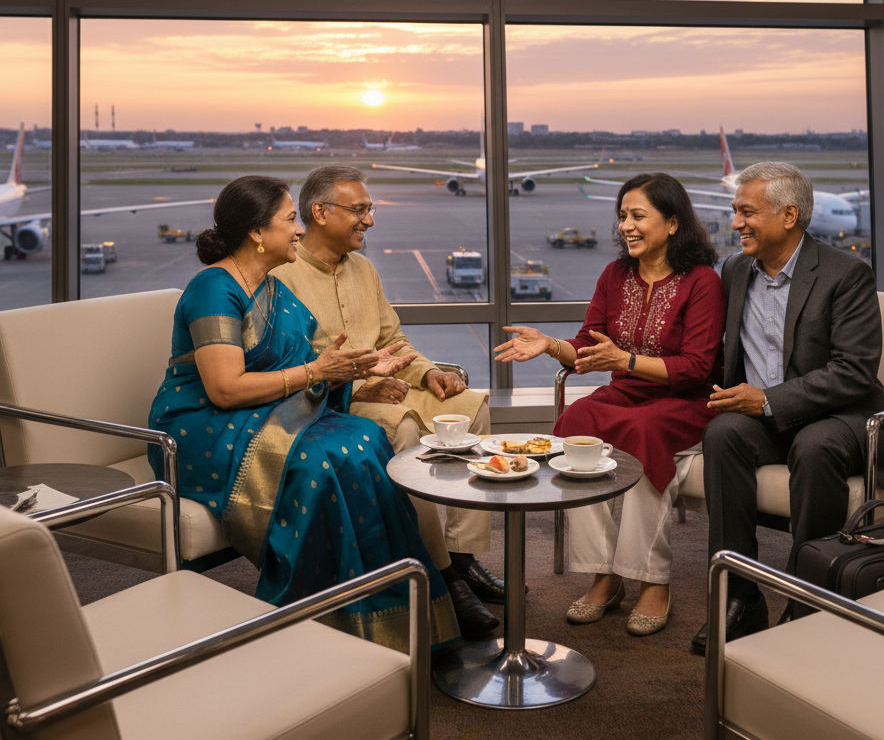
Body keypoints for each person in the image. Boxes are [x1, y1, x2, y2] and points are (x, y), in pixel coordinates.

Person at [148, 175, 459, 651]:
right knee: (327, 457)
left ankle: (385, 608)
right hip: (202, 426)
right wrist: (318, 371)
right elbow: (225, 389)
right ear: (256, 232)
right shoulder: (215, 289)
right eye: (290, 219)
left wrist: (362, 367)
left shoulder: (273, 290)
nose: (298, 230)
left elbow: (316, 364)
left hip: (266, 410)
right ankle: (308, 622)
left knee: (365, 440)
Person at [689, 161, 884, 656]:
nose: (736, 222)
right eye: (735, 211)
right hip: (768, 418)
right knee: (723, 434)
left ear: (789, 215)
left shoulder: (845, 274)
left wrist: (768, 399)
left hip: (844, 417)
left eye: (747, 212)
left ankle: (809, 596)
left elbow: (854, 372)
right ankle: (738, 597)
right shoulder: (735, 270)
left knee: (814, 446)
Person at [271, 164, 502, 638]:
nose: (370, 220)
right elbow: (289, 365)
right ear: (319, 212)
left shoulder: (364, 269)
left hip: (391, 385)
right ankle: (441, 576)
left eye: (369, 209)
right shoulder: (283, 278)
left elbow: (394, 339)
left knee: (474, 407)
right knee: (406, 431)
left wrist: (430, 371)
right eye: (359, 210)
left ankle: (463, 556)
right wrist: (357, 386)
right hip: (332, 401)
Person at [494, 173, 726, 636]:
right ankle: (604, 574)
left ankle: (653, 579)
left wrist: (626, 359)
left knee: (642, 435)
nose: (626, 226)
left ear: (673, 222)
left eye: (638, 215)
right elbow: (588, 345)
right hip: (627, 393)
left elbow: (698, 367)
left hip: (685, 399)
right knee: (576, 421)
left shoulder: (702, 282)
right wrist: (550, 345)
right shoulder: (615, 275)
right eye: (622, 216)